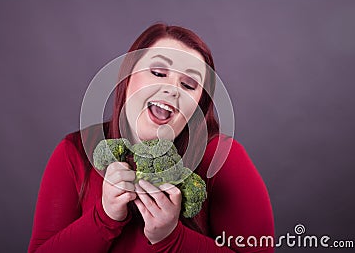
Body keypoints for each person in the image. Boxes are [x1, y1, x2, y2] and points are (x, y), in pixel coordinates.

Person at [28, 23, 275, 253]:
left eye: (188, 85)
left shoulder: (222, 158)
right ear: (127, 77)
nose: (172, 89)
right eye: (158, 72)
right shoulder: (75, 151)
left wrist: (172, 238)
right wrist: (103, 218)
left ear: (198, 106)